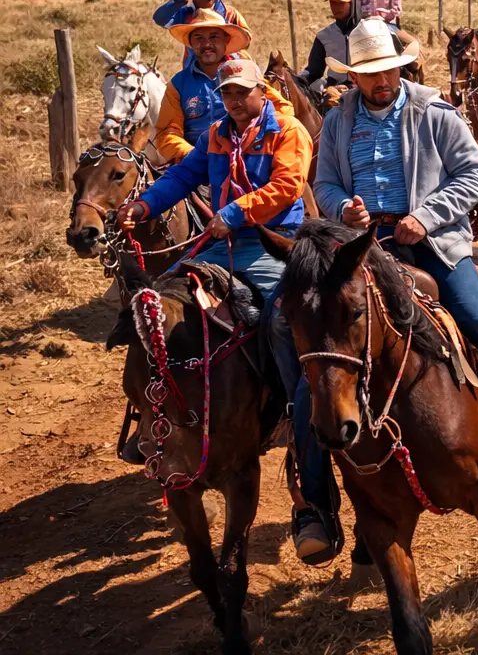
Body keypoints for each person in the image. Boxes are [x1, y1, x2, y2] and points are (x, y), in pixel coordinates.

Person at [313, 20, 478, 483]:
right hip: (362, 247)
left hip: (433, 244)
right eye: (369, 73)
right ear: (352, 76)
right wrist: (342, 210)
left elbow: (476, 176)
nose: (381, 80)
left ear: (401, 67)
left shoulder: (435, 112)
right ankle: (315, 487)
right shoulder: (337, 121)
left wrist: (424, 217)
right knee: (316, 336)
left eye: (388, 70)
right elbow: (325, 184)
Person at [119, 57, 337, 561]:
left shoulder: (288, 130)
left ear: (261, 89)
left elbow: (287, 187)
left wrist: (233, 212)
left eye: (243, 91)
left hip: (274, 240)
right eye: (228, 92)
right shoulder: (217, 134)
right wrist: (146, 205)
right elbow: (184, 175)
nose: (235, 100)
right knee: (156, 307)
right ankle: (149, 417)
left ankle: (290, 403)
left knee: (283, 320)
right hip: (220, 244)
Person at [155, 8, 256, 165]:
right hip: (194, 164)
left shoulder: (246, 74)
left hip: (245, 159)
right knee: (156, 189)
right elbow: (168, 132)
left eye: (214, 37)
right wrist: (192, 154)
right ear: (191, 44)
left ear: (226, 40)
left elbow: (280, 112)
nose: (206, 44)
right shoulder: (178, 84)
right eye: (199, 38)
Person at [153, 0, 253, 65]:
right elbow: (160, 18)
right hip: (194, 69)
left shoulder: (230, 13)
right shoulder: (186, 14)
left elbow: (246, 39)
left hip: (226, 66)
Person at [295, 0, 361, 98]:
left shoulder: (367, 30)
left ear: (352, 4)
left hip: (363, 87)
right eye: (332, 3)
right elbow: (314, 70)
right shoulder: (324, 36)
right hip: (334, 90)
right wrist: (296, 80)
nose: (335, 7)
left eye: (341, 3)